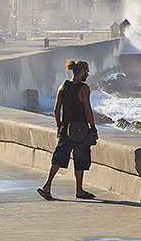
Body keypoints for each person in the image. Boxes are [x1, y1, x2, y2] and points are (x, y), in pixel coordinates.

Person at [37, 59, 98, 200]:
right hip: (81, 129)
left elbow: (56, 109)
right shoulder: (84, 88)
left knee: (58, 157)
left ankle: (47, 186)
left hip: (66, 129)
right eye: (87, 71)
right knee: (81, 158)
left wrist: (59, 125)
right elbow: (88, 110)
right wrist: (93, 127)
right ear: (81, 71)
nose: (87, 74)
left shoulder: (63, 86)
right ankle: (79, 190)